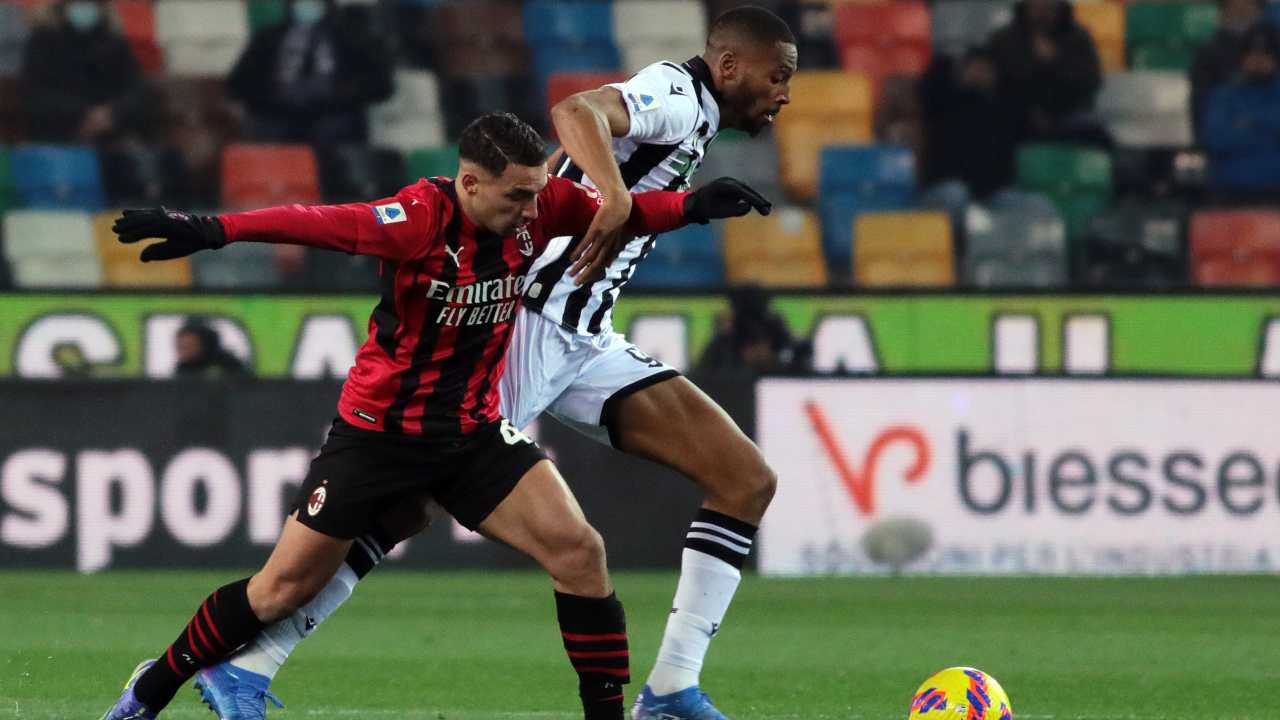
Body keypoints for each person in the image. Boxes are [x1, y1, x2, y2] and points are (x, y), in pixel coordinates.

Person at [203, 8, 797, 720]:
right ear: (730, 66)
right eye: (779, 74)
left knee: (744, 479)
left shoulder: (697, 117)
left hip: (585, 336)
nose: (785, 92)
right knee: (406, 506)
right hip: (527, 324)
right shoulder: (674, 93)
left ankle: (671, 686)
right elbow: (575, 110)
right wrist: (612, 196)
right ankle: (250, 665)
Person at [226, 0, 393, 144]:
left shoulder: (352, 38)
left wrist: (343, 91)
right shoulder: (268, 38)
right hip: (277, 116)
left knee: (336, 129)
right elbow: (238, 84)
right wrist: (274, 94)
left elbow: (381, 85)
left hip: (334, 116)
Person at [19, 0, 155, 144]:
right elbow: (35, 94)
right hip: (59, 137)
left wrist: (112, 114)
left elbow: (137, 90)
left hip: (113, 133)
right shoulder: (43, 41)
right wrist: (82, 115)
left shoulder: (114, 42)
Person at [985, 0, 1103, 144]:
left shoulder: (1078, 38)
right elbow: (998, 83)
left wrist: (1057, 60)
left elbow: (1091, 80)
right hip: (1017, 116)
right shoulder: (1004, 39)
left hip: (1069, 116)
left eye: (1048, 7)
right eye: (1037, 6)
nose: (1042, 12)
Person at [1202, 25, 1280, 194]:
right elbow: (1215, 140)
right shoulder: (1223, 96)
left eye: (1266, 54)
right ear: (1241, 59)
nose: (1258, 60)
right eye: (1251, 54)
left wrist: (1248, 122)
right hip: (1229, 191)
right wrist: (1270, 131)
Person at [1192, 0, 1280, 138]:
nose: (1242, 11)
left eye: (1248, 6)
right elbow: (1202, 108)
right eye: (1236, 7)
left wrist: (1250, 123)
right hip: (1229, 150)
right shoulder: (1209, 53)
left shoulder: (1273, 43)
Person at [174, 321, 250, 379]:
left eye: (189, 345)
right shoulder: (182, 369)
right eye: (180, 346)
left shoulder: (229, 365)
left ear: (204, 343)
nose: (183, 351)